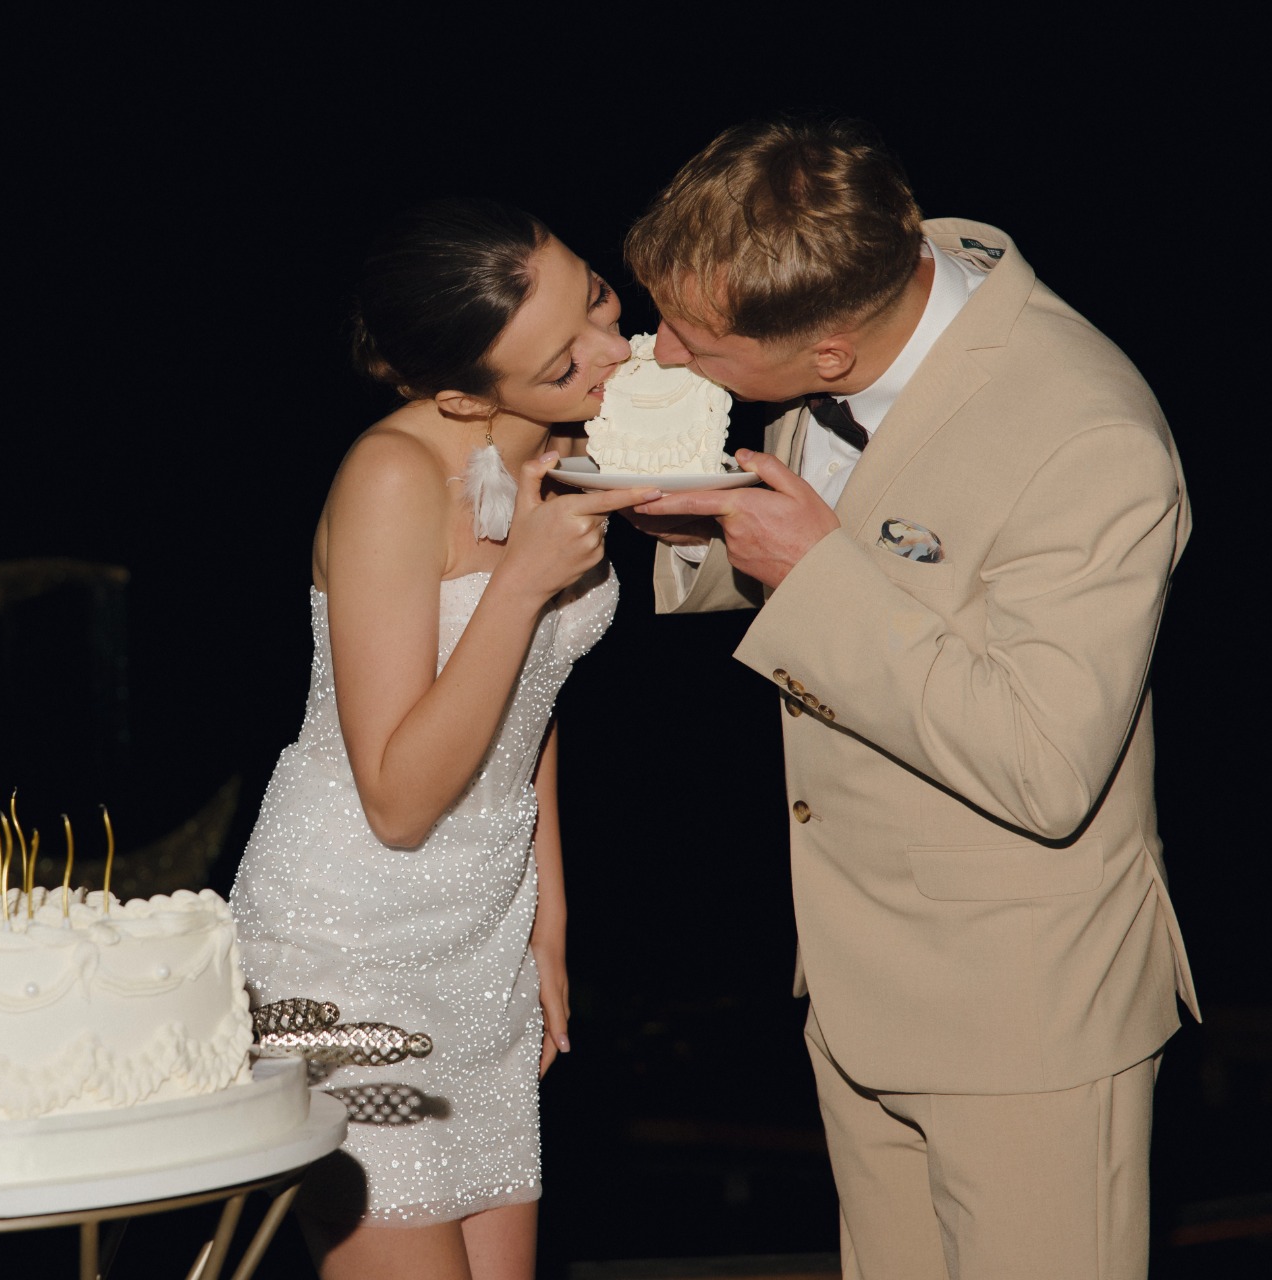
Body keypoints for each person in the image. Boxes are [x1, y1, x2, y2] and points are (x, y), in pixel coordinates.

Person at [621, 117, 1197, 1279]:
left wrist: (812, 573)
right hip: (856, 981)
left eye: (696, 342)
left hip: (1022, 1014)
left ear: (831, 354)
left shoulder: (1087, 436)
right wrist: (701, 524)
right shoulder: (857, 283)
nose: (661, 352)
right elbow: (870, 534)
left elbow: (1045, 764)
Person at [229, 197, 644, 1280]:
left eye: (599, 299)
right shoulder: (392, 477)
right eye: (564, 360)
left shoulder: (568, 446)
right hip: (343, 950)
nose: (611, 349)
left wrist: (548, 918)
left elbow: (528, 697)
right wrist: (522, 583)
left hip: (485, 933)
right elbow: (399, 797)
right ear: (463, 394)